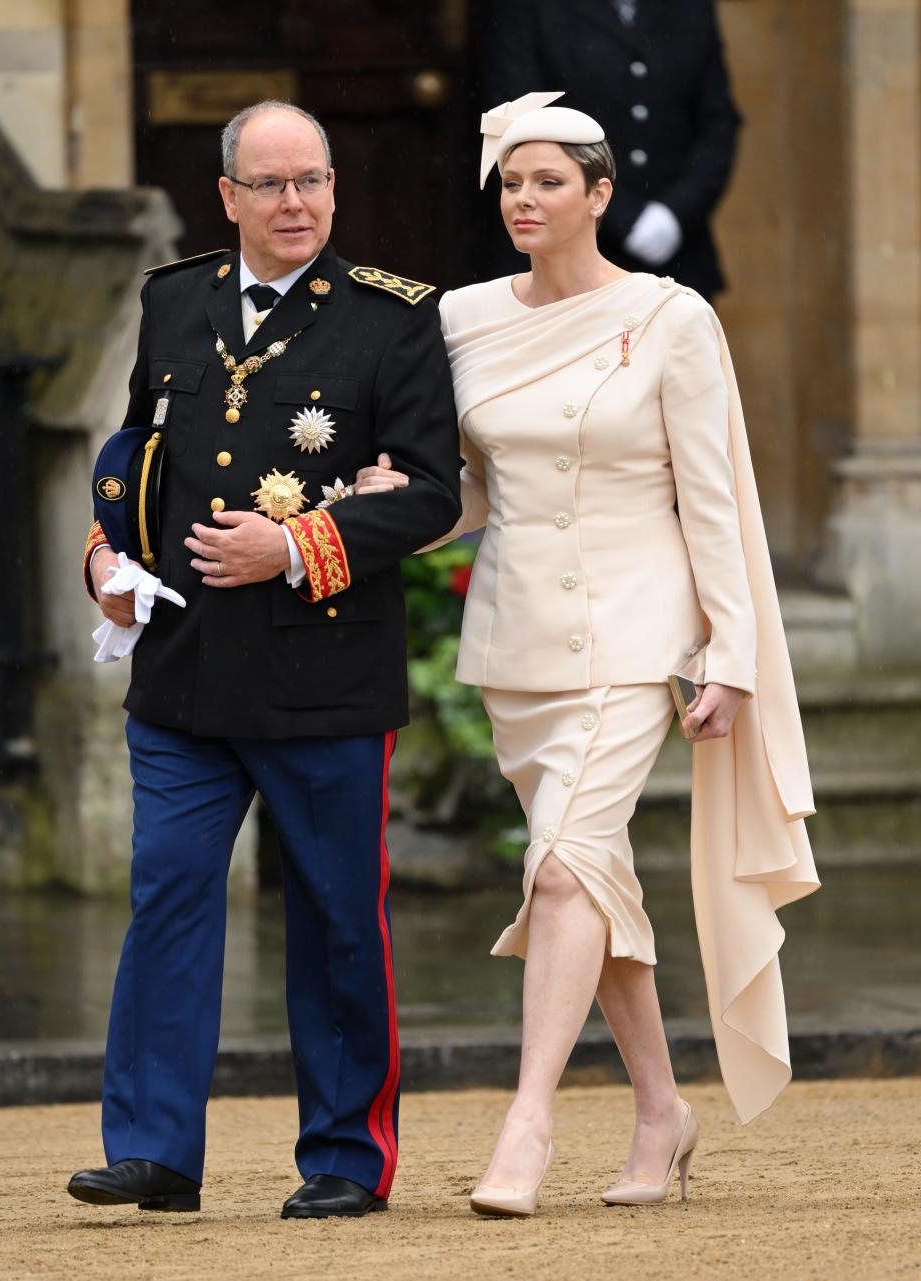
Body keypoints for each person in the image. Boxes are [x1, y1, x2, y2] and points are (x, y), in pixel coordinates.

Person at [359, 94, 818, 1216]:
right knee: (589, 880)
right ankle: (663, 1109)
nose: (524, 200)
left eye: (549, 182)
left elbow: (713, 499)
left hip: (637, 629)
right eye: (511, 183)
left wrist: (731, 650)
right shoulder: (461, 319)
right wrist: (391, 507)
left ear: (600, 194)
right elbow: (468, 493)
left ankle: (529, 1123)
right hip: (518, 640)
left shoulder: (671, 317)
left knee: (562, 867)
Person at [67, 100, 461, 1219]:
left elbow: (432, 492)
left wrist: (294, 546)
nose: (297, 204)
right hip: (184, 670)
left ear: (335, 188)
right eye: (273, 185)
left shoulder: (393, 321)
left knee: (337, 917)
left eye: (314, 182)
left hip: (325, 675)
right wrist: (104, 557)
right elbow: (136, 451)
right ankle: (153, 1150)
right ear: (228, 197)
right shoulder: (171, 299)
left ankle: (345, 1156)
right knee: (170, 898)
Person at [481, 0, 742, 301]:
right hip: (562, 259)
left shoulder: (690, 7)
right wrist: (621, 216)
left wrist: (675, 213)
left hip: (678, 258)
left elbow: (718, 124)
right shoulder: (529, 8)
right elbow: (522, 121)